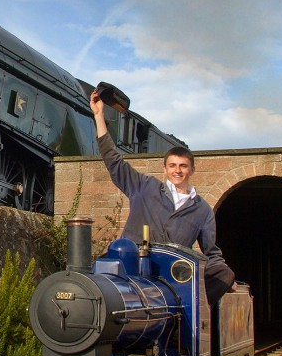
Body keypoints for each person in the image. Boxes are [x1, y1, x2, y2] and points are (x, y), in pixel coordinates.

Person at [89, 89, 235, 305]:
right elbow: (114, 161)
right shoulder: (144, 186)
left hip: (173, 274)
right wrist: (99, 116)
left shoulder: (203, 210)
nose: (178, 171)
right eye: (173, 166)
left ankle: (190, 311)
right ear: (165, 169)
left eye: (183, 166)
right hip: (132, 262)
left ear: (192, 170)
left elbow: (211, 252)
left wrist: (226, 278)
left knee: (223, 272)